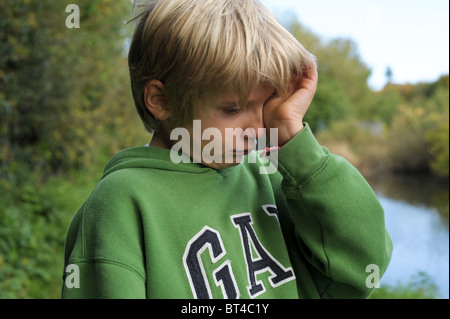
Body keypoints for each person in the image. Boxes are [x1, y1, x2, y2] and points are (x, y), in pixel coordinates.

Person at [62, 0, 392, 299]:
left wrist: (293, 138)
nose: (257, 129)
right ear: (161, 101)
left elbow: (364, 268)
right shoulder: (122, 202)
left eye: (265, 106)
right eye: (233, 110)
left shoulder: (272, 176)